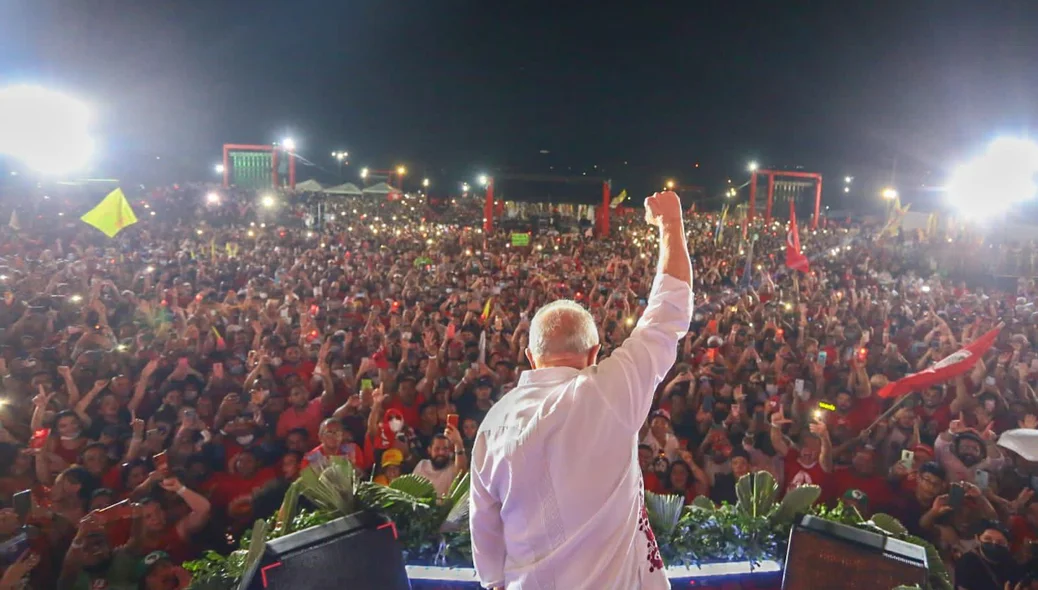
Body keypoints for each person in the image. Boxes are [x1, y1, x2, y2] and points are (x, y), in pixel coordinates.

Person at [469, 191, 693, 589]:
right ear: (594, 352)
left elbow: (486, 542)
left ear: (530, 356)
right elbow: (669, 312)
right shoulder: (609, 391)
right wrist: (671, 225)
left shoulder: (493, 424)